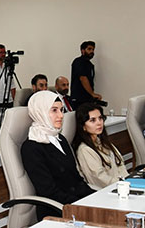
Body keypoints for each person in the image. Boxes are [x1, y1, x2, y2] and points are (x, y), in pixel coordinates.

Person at [21, 91, 94, 221]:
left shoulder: (60, 139)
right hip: (56, 211)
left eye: (61, 110)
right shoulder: (31, 147)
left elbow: (76, 179)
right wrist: (82, 206)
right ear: (40, 112)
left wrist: (95, 198)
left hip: (76, 204)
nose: (61, 115)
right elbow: (49, 191)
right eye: (54, 110)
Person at [72, 102, 128, 190]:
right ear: (83, 126)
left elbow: (120, 163)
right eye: (92, 120)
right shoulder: (85, 150)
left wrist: (127, 180)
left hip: (122, 186)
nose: (99, 123)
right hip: (108, 191)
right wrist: (123, 184)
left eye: (100, 118)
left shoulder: (103, 142)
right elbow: (100, 178)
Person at [70, 41, 101, 110]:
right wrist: (92, 94)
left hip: (87, 99)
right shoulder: (79, 62)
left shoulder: (90, 64)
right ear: (83, 50)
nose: (92, 51)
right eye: (89, 49)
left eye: (93, 49)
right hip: (79, 100)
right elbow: (83, 78)